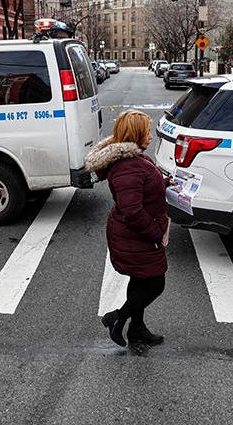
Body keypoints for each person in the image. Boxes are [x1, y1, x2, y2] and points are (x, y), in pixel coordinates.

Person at [84, 110, 172, 347]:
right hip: (137, 234)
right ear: (136, 134)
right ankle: (117, 318)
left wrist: (163, 184)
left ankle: (136, 328)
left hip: (135, 233)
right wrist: (156, 234)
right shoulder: (129, 166)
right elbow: (131, 209)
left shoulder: (133, 161)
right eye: (146, 131)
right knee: (155, 283)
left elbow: (137, 190)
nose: (151, 136)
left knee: (140, 279)